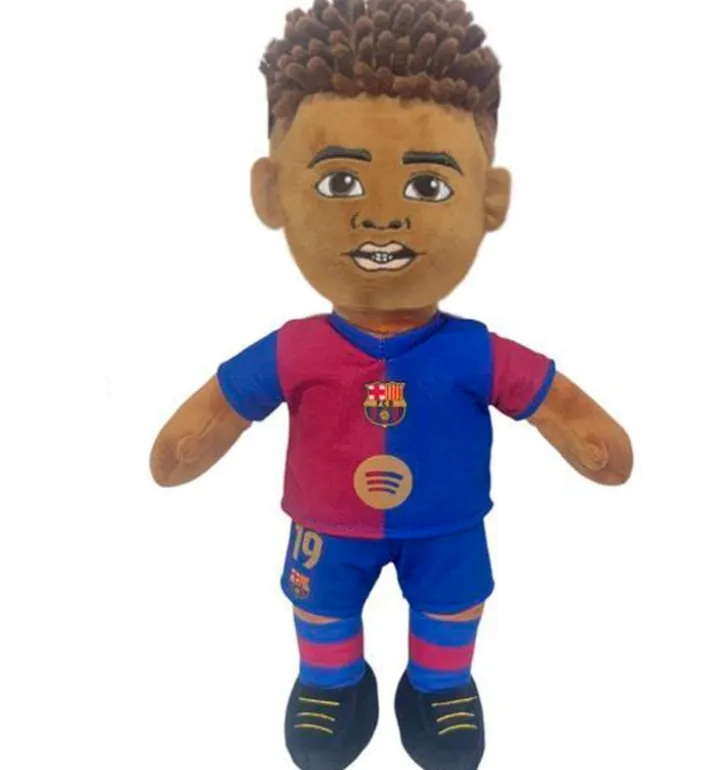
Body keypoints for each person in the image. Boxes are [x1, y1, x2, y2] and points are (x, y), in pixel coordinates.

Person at [150, 2, 633, 768]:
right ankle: (331, 682)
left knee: (453, 604)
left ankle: (440, 687)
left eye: (427, 187)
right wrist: (187, 445)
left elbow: (556, 404)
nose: (382, 219)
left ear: (489, 199)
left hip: (446, 522)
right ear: (274, 192)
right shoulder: (298, 349)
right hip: (327, 524)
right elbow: (222, 407)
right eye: (341, 181)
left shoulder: (472, 351)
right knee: (321, 604)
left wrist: (589, 439)